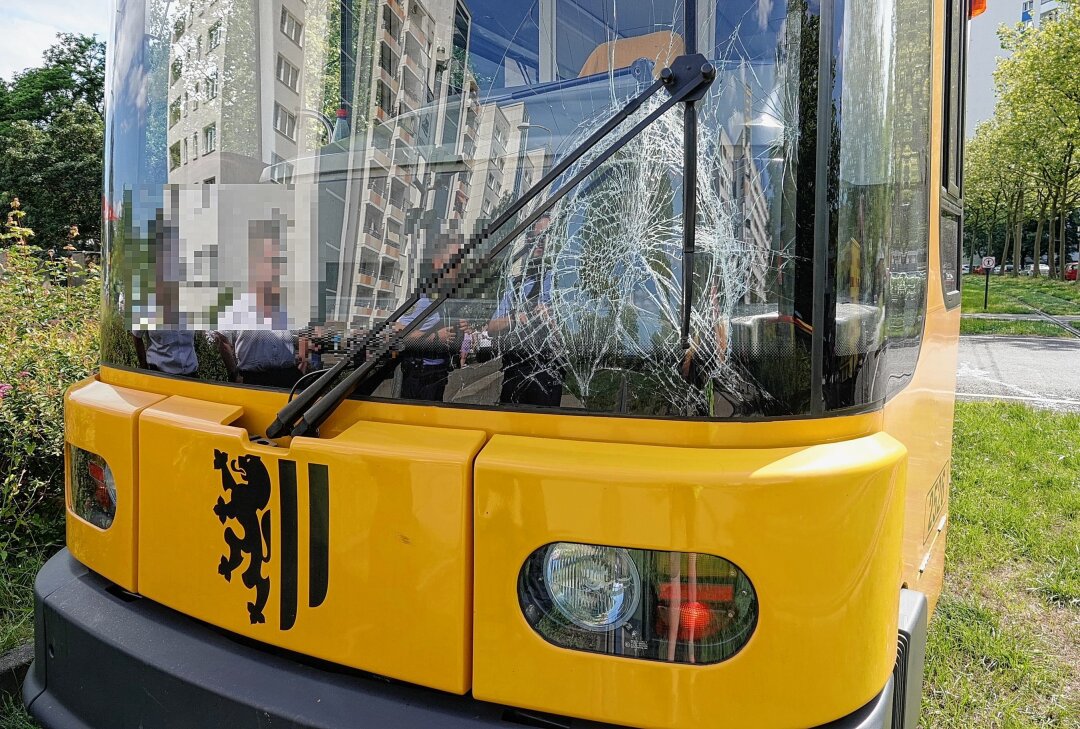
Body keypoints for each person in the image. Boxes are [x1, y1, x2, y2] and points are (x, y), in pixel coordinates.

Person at [213, 220, 303, 388]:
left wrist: (303, 362)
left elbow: (303, 333)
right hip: (255, 380)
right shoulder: (235, 298)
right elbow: (222, 338)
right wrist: (234, 373)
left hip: (289, 377)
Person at [488, 216, 564, 407]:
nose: (539, 242)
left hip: (547, 374)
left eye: (545, 236)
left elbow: (577, 332)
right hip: (516, 371)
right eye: (534, 237)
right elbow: (491, 328)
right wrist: (515, 318)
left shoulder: (560, 281)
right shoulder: (515, 284)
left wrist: (551, 319)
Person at [395, 237, 464, 402]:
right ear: (439, 263)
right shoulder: (423, 298)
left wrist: (458, 327)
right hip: (419, 377)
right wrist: (435, 337)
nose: (460, 267)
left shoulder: (447, 298)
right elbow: (398, 330)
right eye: (456, 261)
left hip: (438, 374)